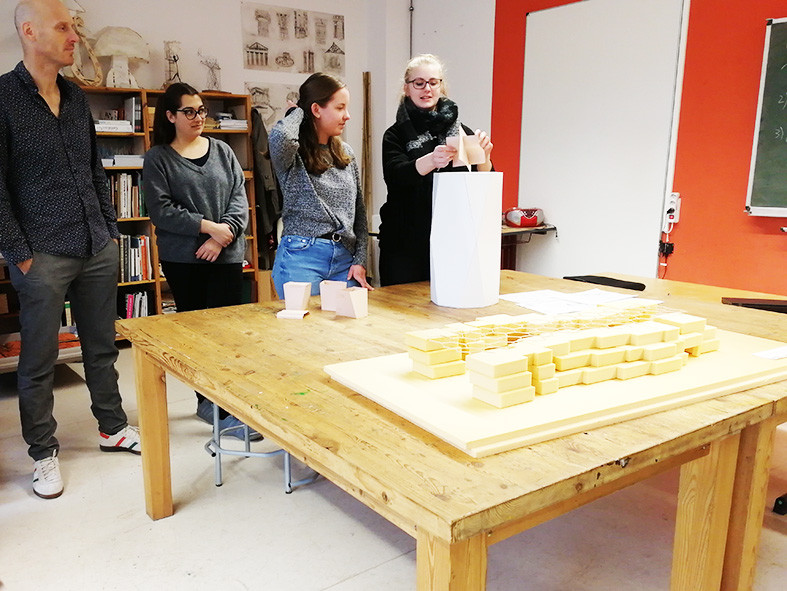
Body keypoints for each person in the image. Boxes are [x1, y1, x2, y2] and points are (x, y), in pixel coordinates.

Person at [0, 0, 141, 500]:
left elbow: (94, 168)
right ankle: (43, 453)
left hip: (95, 244)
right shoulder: (3, 98)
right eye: (63, 27)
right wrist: (20, 253)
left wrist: (109, 231)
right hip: (41, 254)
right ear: (30, 31)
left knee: (102, 348)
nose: (74, 37)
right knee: (38, 362)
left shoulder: (76, 97)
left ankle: (112, 427)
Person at [143, 82, 261, 441]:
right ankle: (209, 404)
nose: (198, 117)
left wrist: (224, 234)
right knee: (198, 337)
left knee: (229, 336)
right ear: (170, 116)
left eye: (201, 111)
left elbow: (239, 198)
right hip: (185, 260)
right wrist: (209, 228)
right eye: (189, 112)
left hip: (227, 255)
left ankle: (232, 403)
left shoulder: (222, 151)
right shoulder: (158, 158)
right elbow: (161, 211)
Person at [378, 54, 494, 286]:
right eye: (419, 83)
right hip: (405, 245)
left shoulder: (461, 131)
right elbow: (396, 175)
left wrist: (485, 156)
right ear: (406, 88)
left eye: (433, 82)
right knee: (403, 305)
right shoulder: (395, 134)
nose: (427, 89)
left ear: (441, 86)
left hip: (453, 239)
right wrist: (431, 160)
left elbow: (484, 182)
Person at [268, 72, 372, 297]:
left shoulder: (346, 153)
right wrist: (298, 112)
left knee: (349, 319)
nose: (347, 116)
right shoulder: (292, 154)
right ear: (316, 109)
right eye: (340, 108)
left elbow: (359, 213)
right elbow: (281, 137)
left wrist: (360, 259)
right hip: (301, 258)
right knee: (305, 320)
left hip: (345, 261)